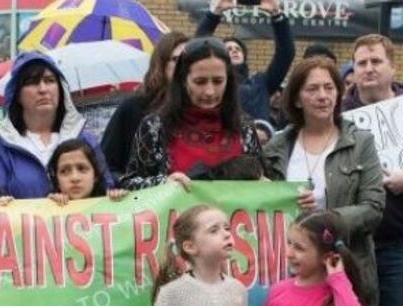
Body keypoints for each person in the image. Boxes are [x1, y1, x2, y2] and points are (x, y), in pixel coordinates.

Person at [262, 56, 384, 306]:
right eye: (312, 88)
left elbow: (373, 206)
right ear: (296, 96)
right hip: (293, 280)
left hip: (342, 279)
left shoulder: (359, 141)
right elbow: (257, 200)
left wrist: (328, 218)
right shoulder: (278, 146)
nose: (322, 95)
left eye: (329, 87)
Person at [342, 33, 403, 306]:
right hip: (351, 246)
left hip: (397, 243)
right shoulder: (337, 115)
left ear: (392, 66)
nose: (368, 69)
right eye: (361, 62)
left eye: (376, 61)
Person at [119, 37, 262, 191]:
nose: (209, 91)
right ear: (183, 80)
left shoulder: (245, 126)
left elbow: (263, 179)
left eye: (218, 81)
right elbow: (129, 185)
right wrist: (164, 183)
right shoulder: (155, 127)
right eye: (200, 82)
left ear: (229, 80)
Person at [0, 52, 113, 199]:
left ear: (61, 89)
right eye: (32, 82)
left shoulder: (85, 140)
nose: (43, 89)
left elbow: (106, 193)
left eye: (49, 80)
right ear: (16, 95)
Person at [100, 31, 188, 177]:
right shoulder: (133, 108)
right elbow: (106, 164)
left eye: (190, 60)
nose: (184, 66)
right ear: (161, 64)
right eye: (177, 59)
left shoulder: (204, 111)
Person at [196, 0, 294, 122]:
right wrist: (215, 13)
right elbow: (197, 49)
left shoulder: (261, 83)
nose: (234, 51)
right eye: (229, 49)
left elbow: (285, 54)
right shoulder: (214, 83)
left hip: (258, 140)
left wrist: (277, 15)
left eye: (238, 49)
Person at [46, 138, 127, 206]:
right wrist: (48, 205)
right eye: (64, 171)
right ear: (56, 180)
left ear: (95, 175)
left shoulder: (111, 202)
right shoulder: (48, 206)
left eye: (82, 169)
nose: (75, 178)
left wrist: (124, 202)